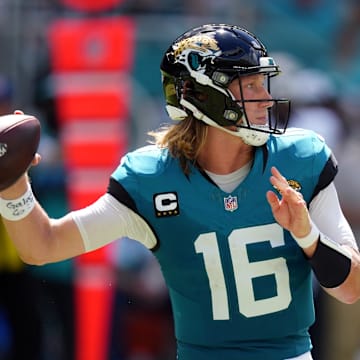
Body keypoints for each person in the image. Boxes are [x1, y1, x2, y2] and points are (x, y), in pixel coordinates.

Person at [1, 24, 360, 360]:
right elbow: (44, 245)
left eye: (263, 84)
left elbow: (351, 288)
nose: (266, 99)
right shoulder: (150, 179)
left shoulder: (301, 159)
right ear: (202, 95)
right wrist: (11, 182)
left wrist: (307, 235)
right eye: (250, 86)